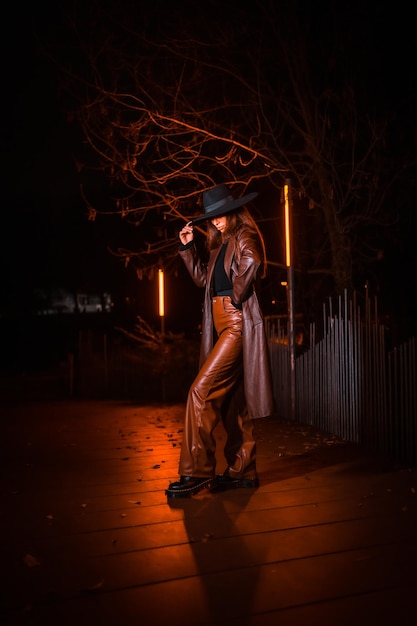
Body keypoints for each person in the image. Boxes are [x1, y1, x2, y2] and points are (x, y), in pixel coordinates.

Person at [166, 183, 274, 499]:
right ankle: (243, 471)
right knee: (233, 399)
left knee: (200, 392)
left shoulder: (243, 236)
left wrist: (237, 297)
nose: (216, 221)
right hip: (221, 325)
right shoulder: (219, 245)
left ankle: (196, 471)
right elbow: (202, 279)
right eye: (211, 217)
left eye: (221, 215)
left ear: (233, 210)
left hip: (236, 325)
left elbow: (252, 260)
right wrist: (187, 248)